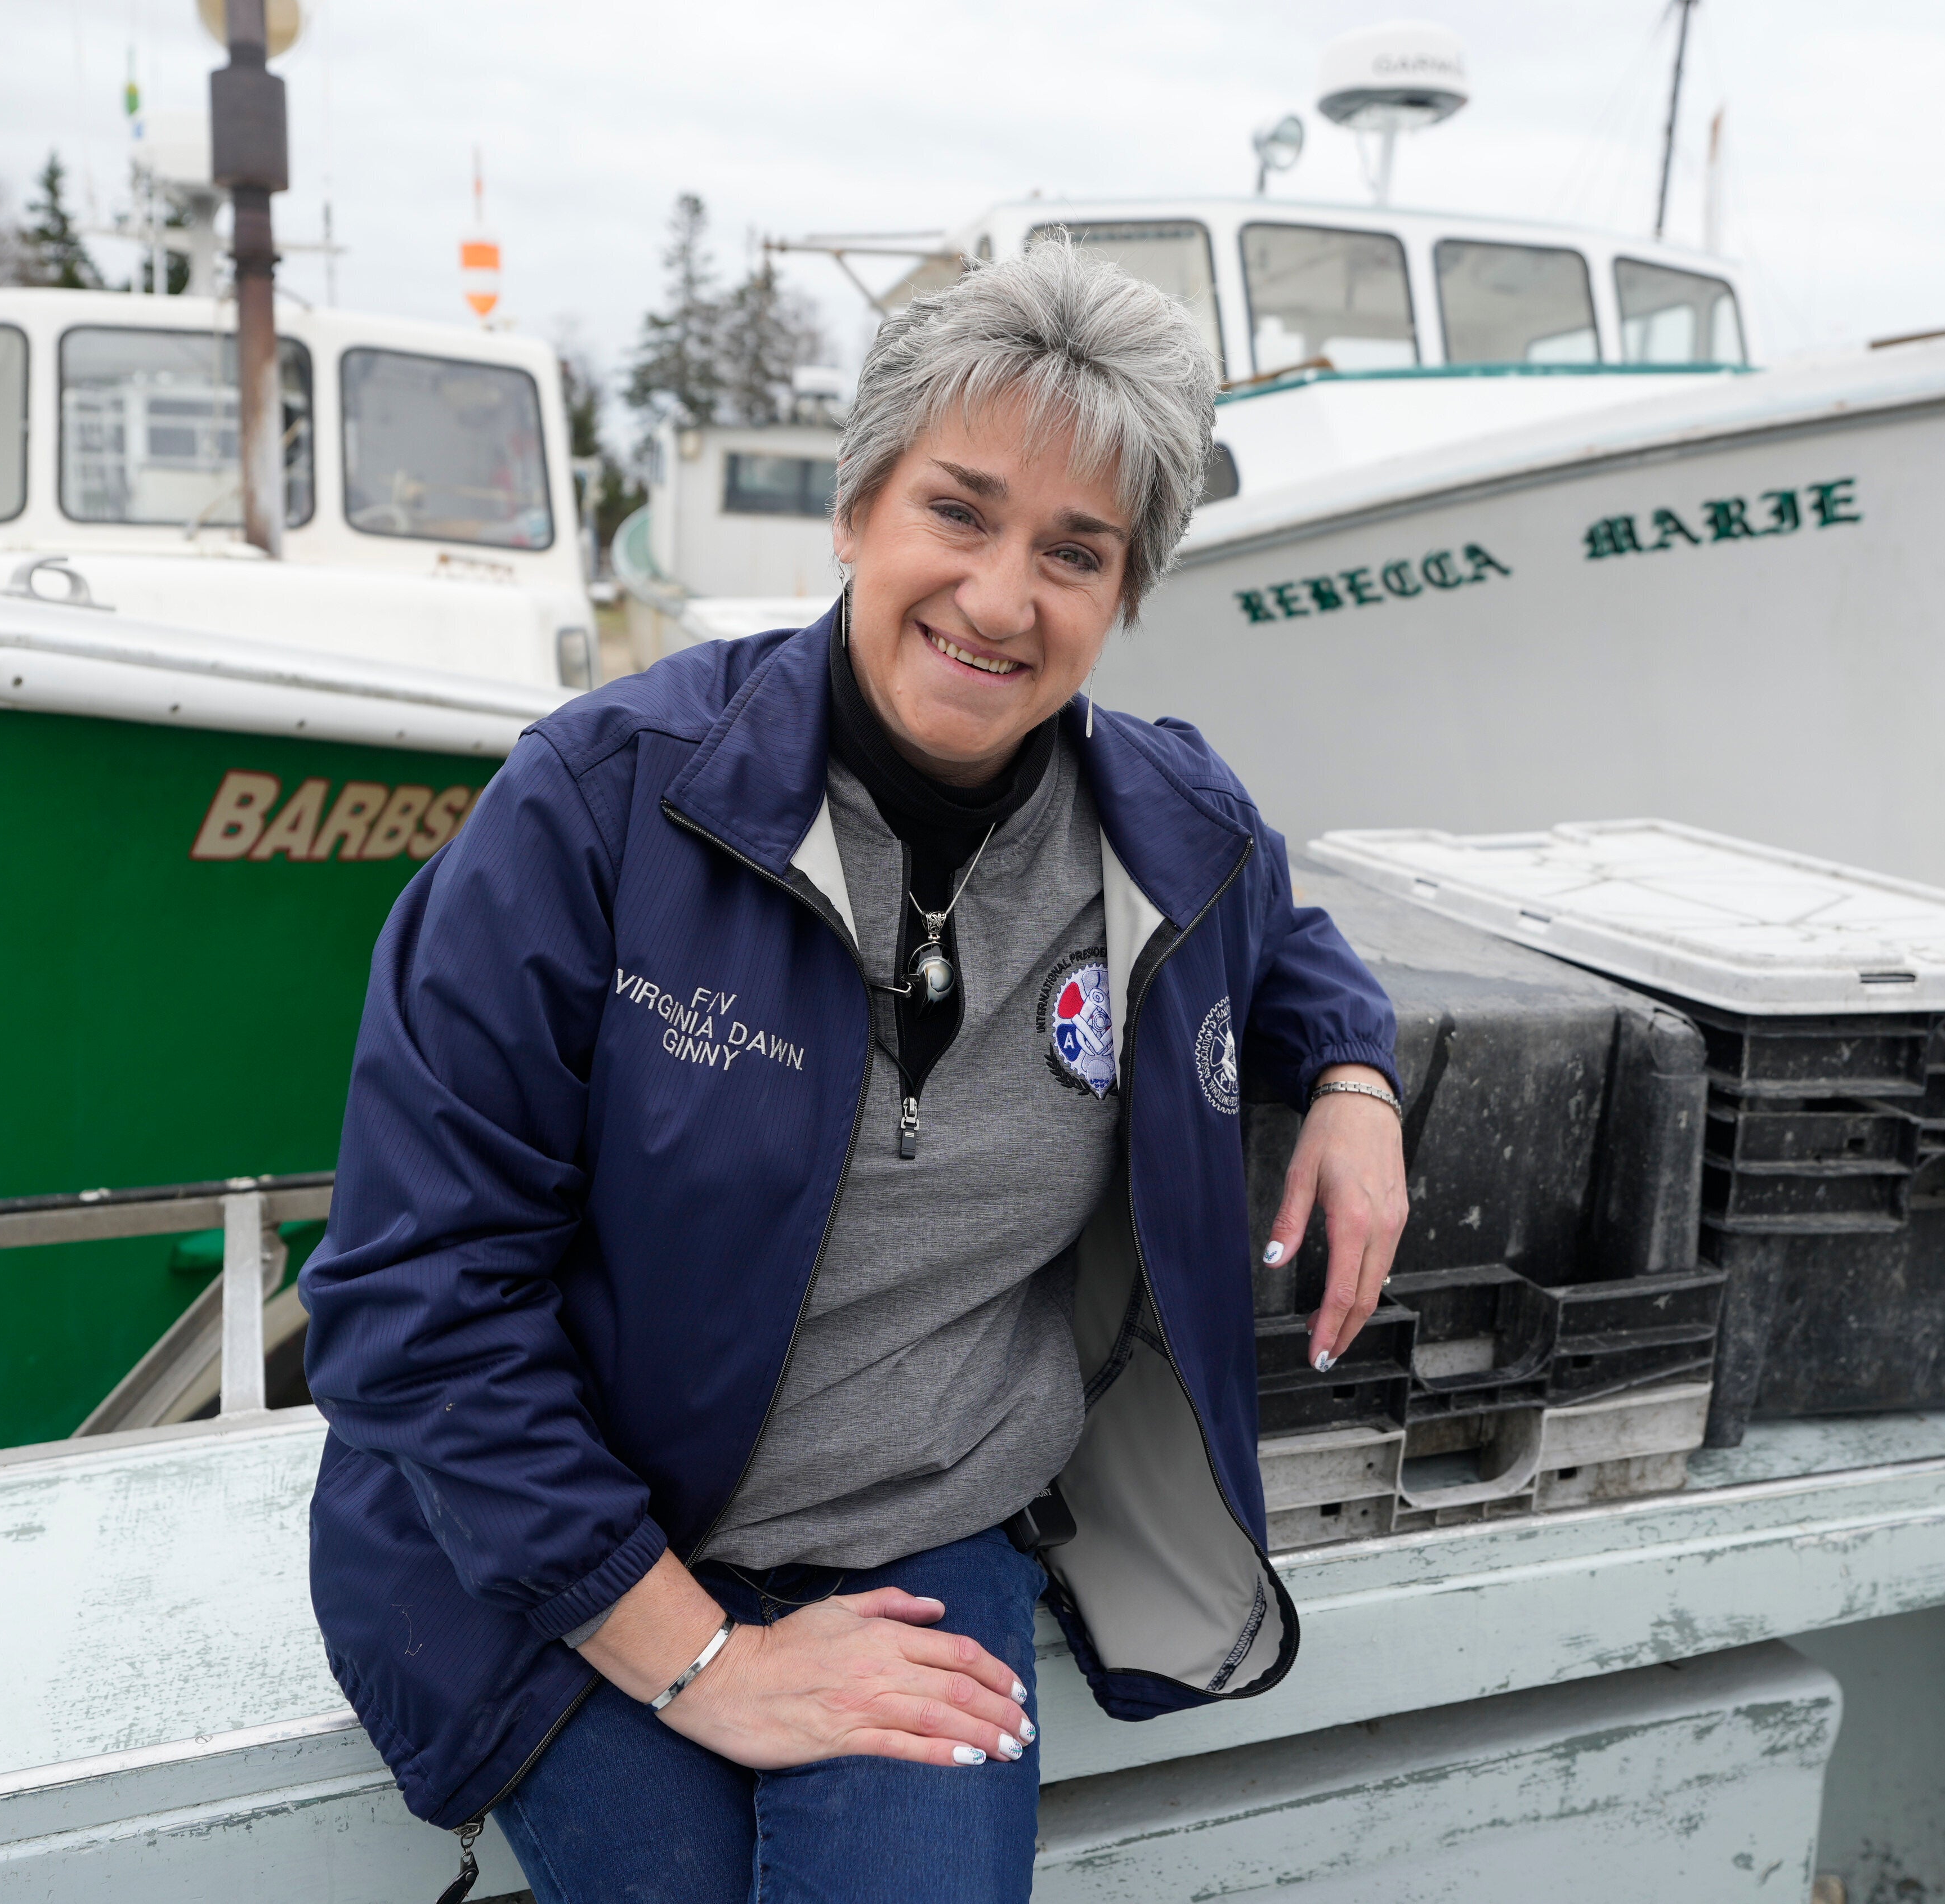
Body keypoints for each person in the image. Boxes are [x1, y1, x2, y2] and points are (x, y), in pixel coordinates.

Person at [300, 240, 1411, 1903]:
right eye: (955, 513)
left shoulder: (1161, 822)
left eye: (1074, 552)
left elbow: (1278, 928)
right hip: (552, 1538)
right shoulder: (600, 804)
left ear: (1122, 595)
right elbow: (412, 1293)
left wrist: (1351, 1078)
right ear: (856, 511)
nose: (998, 598)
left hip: (916, 1529)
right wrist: (704, 1665)